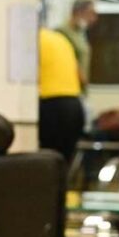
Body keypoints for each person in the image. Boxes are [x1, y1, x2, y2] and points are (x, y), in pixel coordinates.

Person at [38, 27, 85, 162]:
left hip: (52, 106)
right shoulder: (61, 39)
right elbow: (82, 78)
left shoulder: (32, 40)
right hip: (75, 106)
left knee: (47, 162)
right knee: (63, 163)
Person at [56, 0, 98, 94]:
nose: (93, 18)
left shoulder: (80, 33)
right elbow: (67, 61)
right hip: (68, 90)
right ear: (79, 12)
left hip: (80, 90)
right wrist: (83, 80)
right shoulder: (62, 32)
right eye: (90, 13)